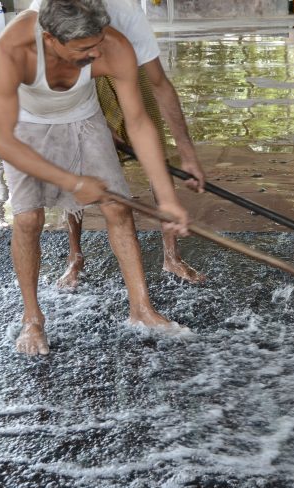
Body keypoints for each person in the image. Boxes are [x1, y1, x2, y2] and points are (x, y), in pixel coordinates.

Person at [0, 0, 191, 355]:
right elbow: (1, 139)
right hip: (25, 126)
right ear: (49, 38)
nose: (95, 53)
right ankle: (32, 319)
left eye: (97, 43)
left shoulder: (112, 46)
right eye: (84, 49)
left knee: (117, 207)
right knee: (28, 218)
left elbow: (139, 123)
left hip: (85, 118)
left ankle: (141, 308)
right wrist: (73, 182)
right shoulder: (11, 48)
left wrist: (168, 197)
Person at [28, 0, 207, 288]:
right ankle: (75, 256)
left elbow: (160, 85)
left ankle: (171, 256)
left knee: (155, 155)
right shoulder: (43, 13)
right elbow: (45, 86)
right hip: (76, 76)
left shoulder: (126, 12)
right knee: (76, 162)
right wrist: (94, 126)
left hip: (126, 66)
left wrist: (188, 155)